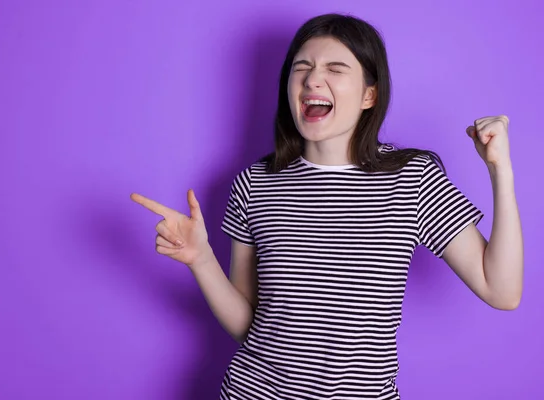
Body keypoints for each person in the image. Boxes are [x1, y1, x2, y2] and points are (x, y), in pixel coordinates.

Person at [130, 13, 523, 400]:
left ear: (370, 94)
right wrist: (201, 259)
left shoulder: (411, 179)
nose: (313, 79)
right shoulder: (255, 183)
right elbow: (250, 326)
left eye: (335, 68)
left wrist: (499, 169)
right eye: (302, 67)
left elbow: (502, 291)